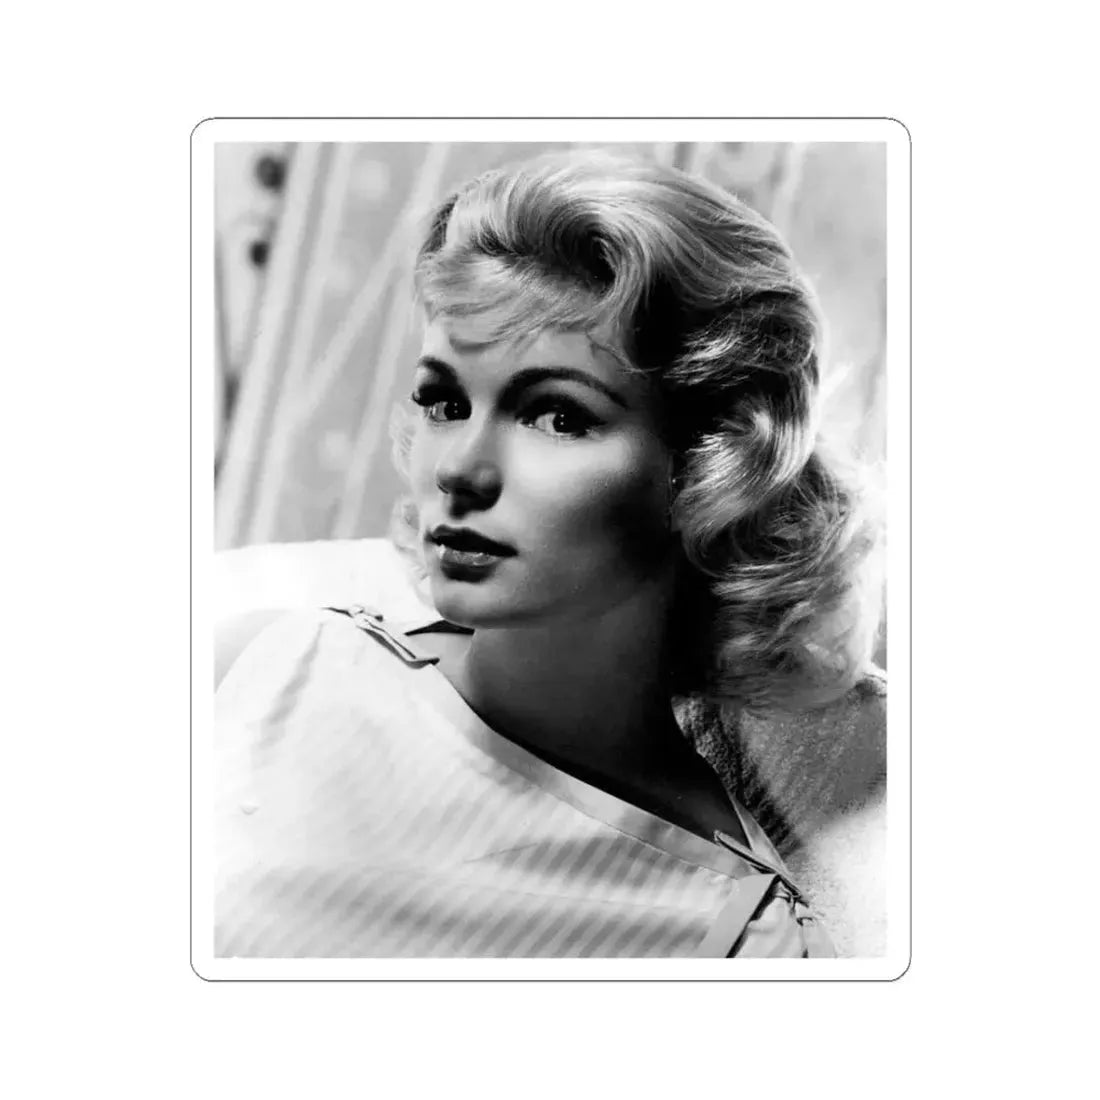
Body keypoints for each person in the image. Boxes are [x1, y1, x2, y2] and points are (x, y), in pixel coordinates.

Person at [214, 151, 886, 958]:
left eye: (559, 416)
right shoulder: (265, 668)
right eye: (445, 401)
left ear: (713, 467)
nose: (462, 469)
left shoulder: (740, 941)